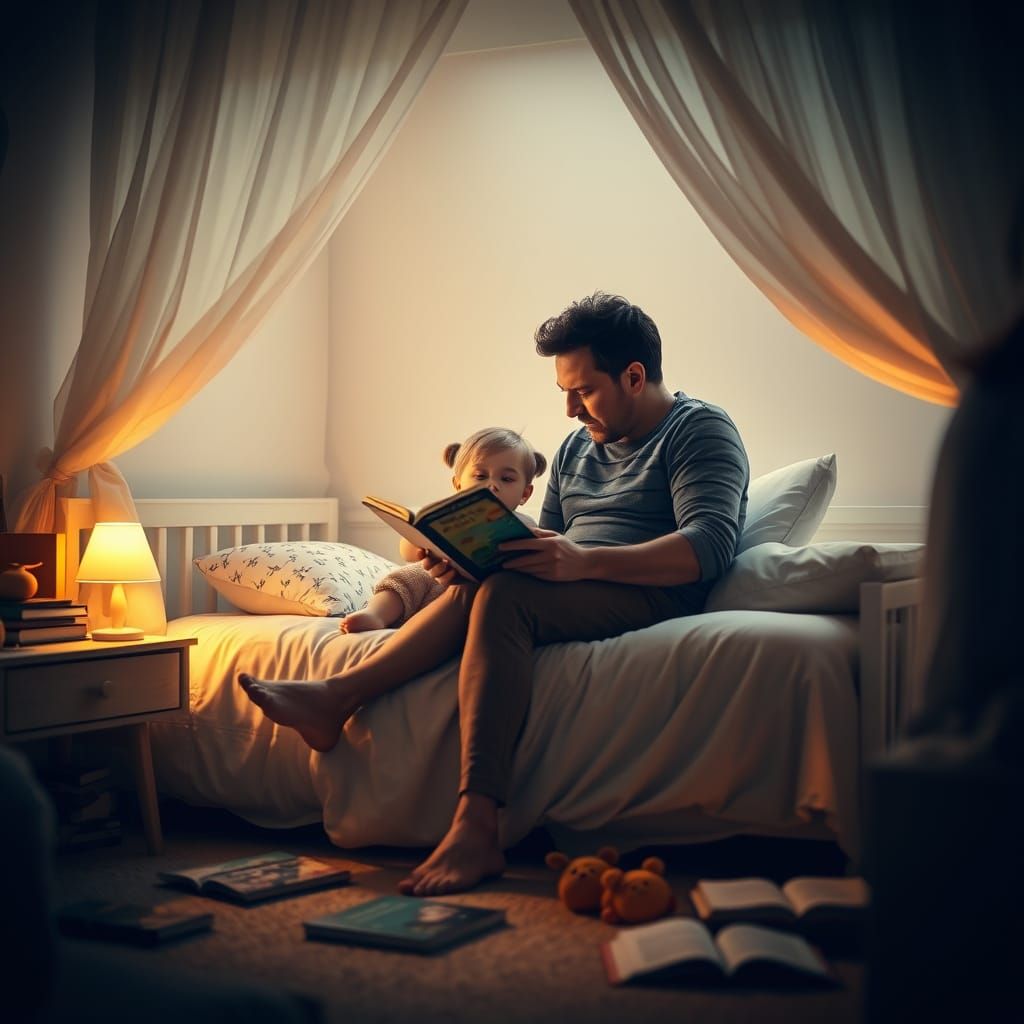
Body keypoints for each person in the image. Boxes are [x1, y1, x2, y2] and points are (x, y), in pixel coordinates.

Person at [240, 292, 749, 898]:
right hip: (573, 584)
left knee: (506, 595)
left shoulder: (700, 430)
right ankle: (334, 698)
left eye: (581, 390)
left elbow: (708, 546)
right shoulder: (578, 447)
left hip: (652, 590)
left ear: (634, 376)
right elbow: (548, 535)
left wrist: (583, 562)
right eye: (564, 391)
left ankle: (475, 824)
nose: (567, 409)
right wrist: (475, 556)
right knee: (494, 581)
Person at [340, 427, 546, 634]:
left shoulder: (525, 525)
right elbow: (408, 552)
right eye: (480, 476)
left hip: (485, 594)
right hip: (438, 582)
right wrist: (419, 542)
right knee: (411, 573)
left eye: (507, 479)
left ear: (525, 494)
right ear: (458, 484)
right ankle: (376, 613)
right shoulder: (444, 517)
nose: (492, 485)